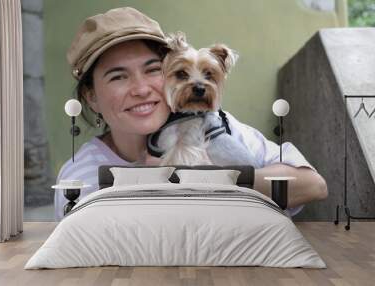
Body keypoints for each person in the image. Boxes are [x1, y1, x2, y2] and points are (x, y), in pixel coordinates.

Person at [55, 7, 328, 221]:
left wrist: (211, 177)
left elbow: (312, 185)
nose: (140, 89)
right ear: (91, 97)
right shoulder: (83, 174)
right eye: (118, 77)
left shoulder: (219, 125)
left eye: (152, 70)